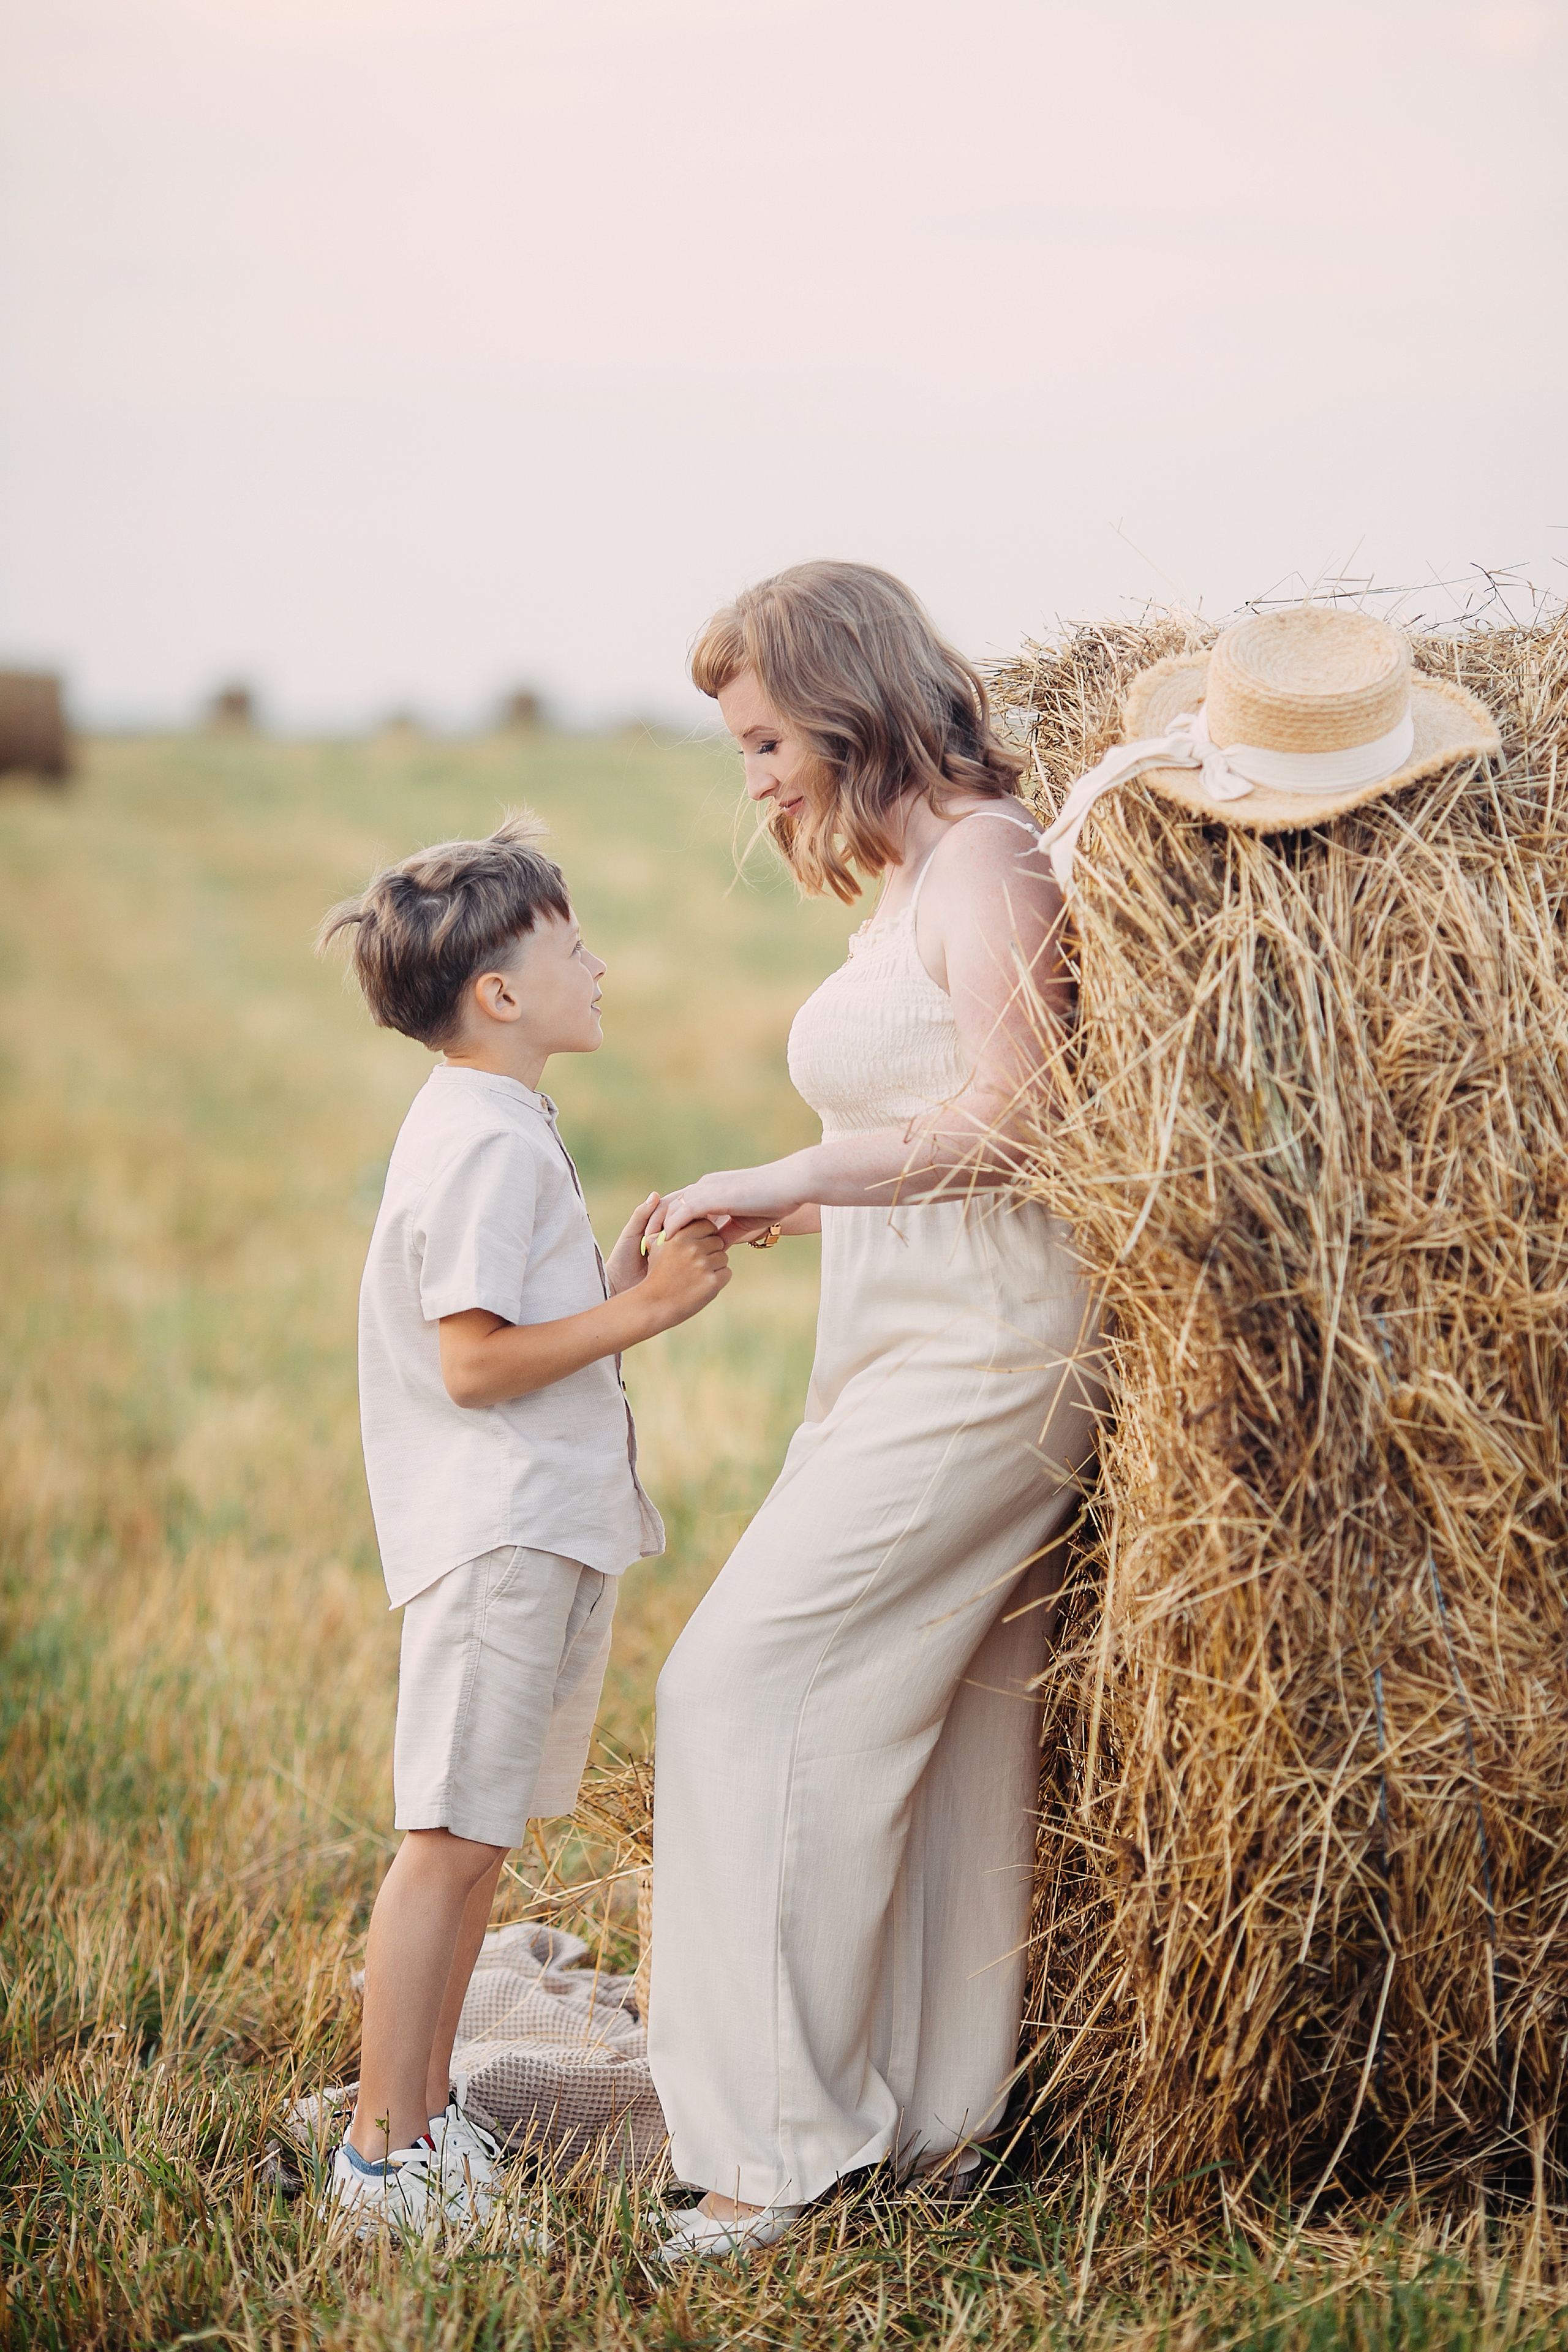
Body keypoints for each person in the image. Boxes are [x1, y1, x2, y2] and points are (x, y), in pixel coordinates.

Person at [645, 563, 1104, 2262]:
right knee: (939, 1717)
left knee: (740, 1686)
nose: (756, 779)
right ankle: (928, 2123)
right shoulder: (917, 875)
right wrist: (805, 1204)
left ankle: (772, 2155)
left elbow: (1019, 1119)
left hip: (991, 1346)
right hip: (904, 1336)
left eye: (765, 739)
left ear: (845, 701)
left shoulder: (987, 862)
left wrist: (801, 1164)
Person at [314, 813, 730, 2241]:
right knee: (446, 1838)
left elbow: (511, 1321)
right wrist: (649, 1310)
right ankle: (383, 2157)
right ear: (500, 993)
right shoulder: (483, 1140)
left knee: (480, 1839)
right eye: (572, 946)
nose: (596, 965)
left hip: (529, 1529)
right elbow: (475, 1364)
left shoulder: (493, 1120)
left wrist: (612, 1276)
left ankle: (421, 2120)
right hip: (495, 1538)